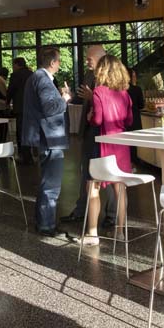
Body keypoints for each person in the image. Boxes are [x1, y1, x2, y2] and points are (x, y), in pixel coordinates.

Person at [61, 45, 117, 228]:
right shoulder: (89, 75)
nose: (87, 62)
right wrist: (70, 96)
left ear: (100, 57)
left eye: (89, 59)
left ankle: (112, 215)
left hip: (104, 131)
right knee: (86, 172)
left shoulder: (112, 75)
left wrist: (93, 97)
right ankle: (81, 211)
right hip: (88, 130)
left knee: (107, 173)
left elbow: (110, 103)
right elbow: (83, 98)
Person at [80, 55, 133, 245]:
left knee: (93, 187)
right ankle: (120, 232)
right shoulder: (125, 93)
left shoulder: (98, 92)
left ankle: (92, 234)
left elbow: (97, 120)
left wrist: (89, 116)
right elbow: (129, 120)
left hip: (102, 144)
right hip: (121, 145)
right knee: (120, 189)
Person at [22, 47, 72, 236]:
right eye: (58, 61)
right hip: (50, 138)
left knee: (47, 182)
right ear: (52, 63)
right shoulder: (43, 79)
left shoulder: (36, 78)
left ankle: (44, 221)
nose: (59, 64)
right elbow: (50, 108)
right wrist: (64, 98)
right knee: (51, 184)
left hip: (46, 137)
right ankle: (46, 225)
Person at [6, 57, 33, 158]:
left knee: (21, 131)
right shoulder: (32, 74)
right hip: (31, 107)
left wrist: (7, 102)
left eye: (13, 65)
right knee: (30, 130)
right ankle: (29, 152)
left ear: (17, 65)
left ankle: (23, 154)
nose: (13, 67)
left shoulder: (15, 75)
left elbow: (11, 90)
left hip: (20, 107)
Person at [127, 68, 145, 165]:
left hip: (123, 119)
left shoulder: (119, 89)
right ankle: (134, 162)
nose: (135, 78)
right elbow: (141, 105)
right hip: (134, 118)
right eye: (134, 76)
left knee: (126, 143)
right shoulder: (137, 89)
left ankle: (128, 162)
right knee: (134, 143)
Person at [0, 67, 9, 142]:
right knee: (3, 125)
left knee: (2, 125)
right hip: (1, 105)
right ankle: (1, 141)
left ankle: (0, 140)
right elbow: (3, 94)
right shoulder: (0, 81)